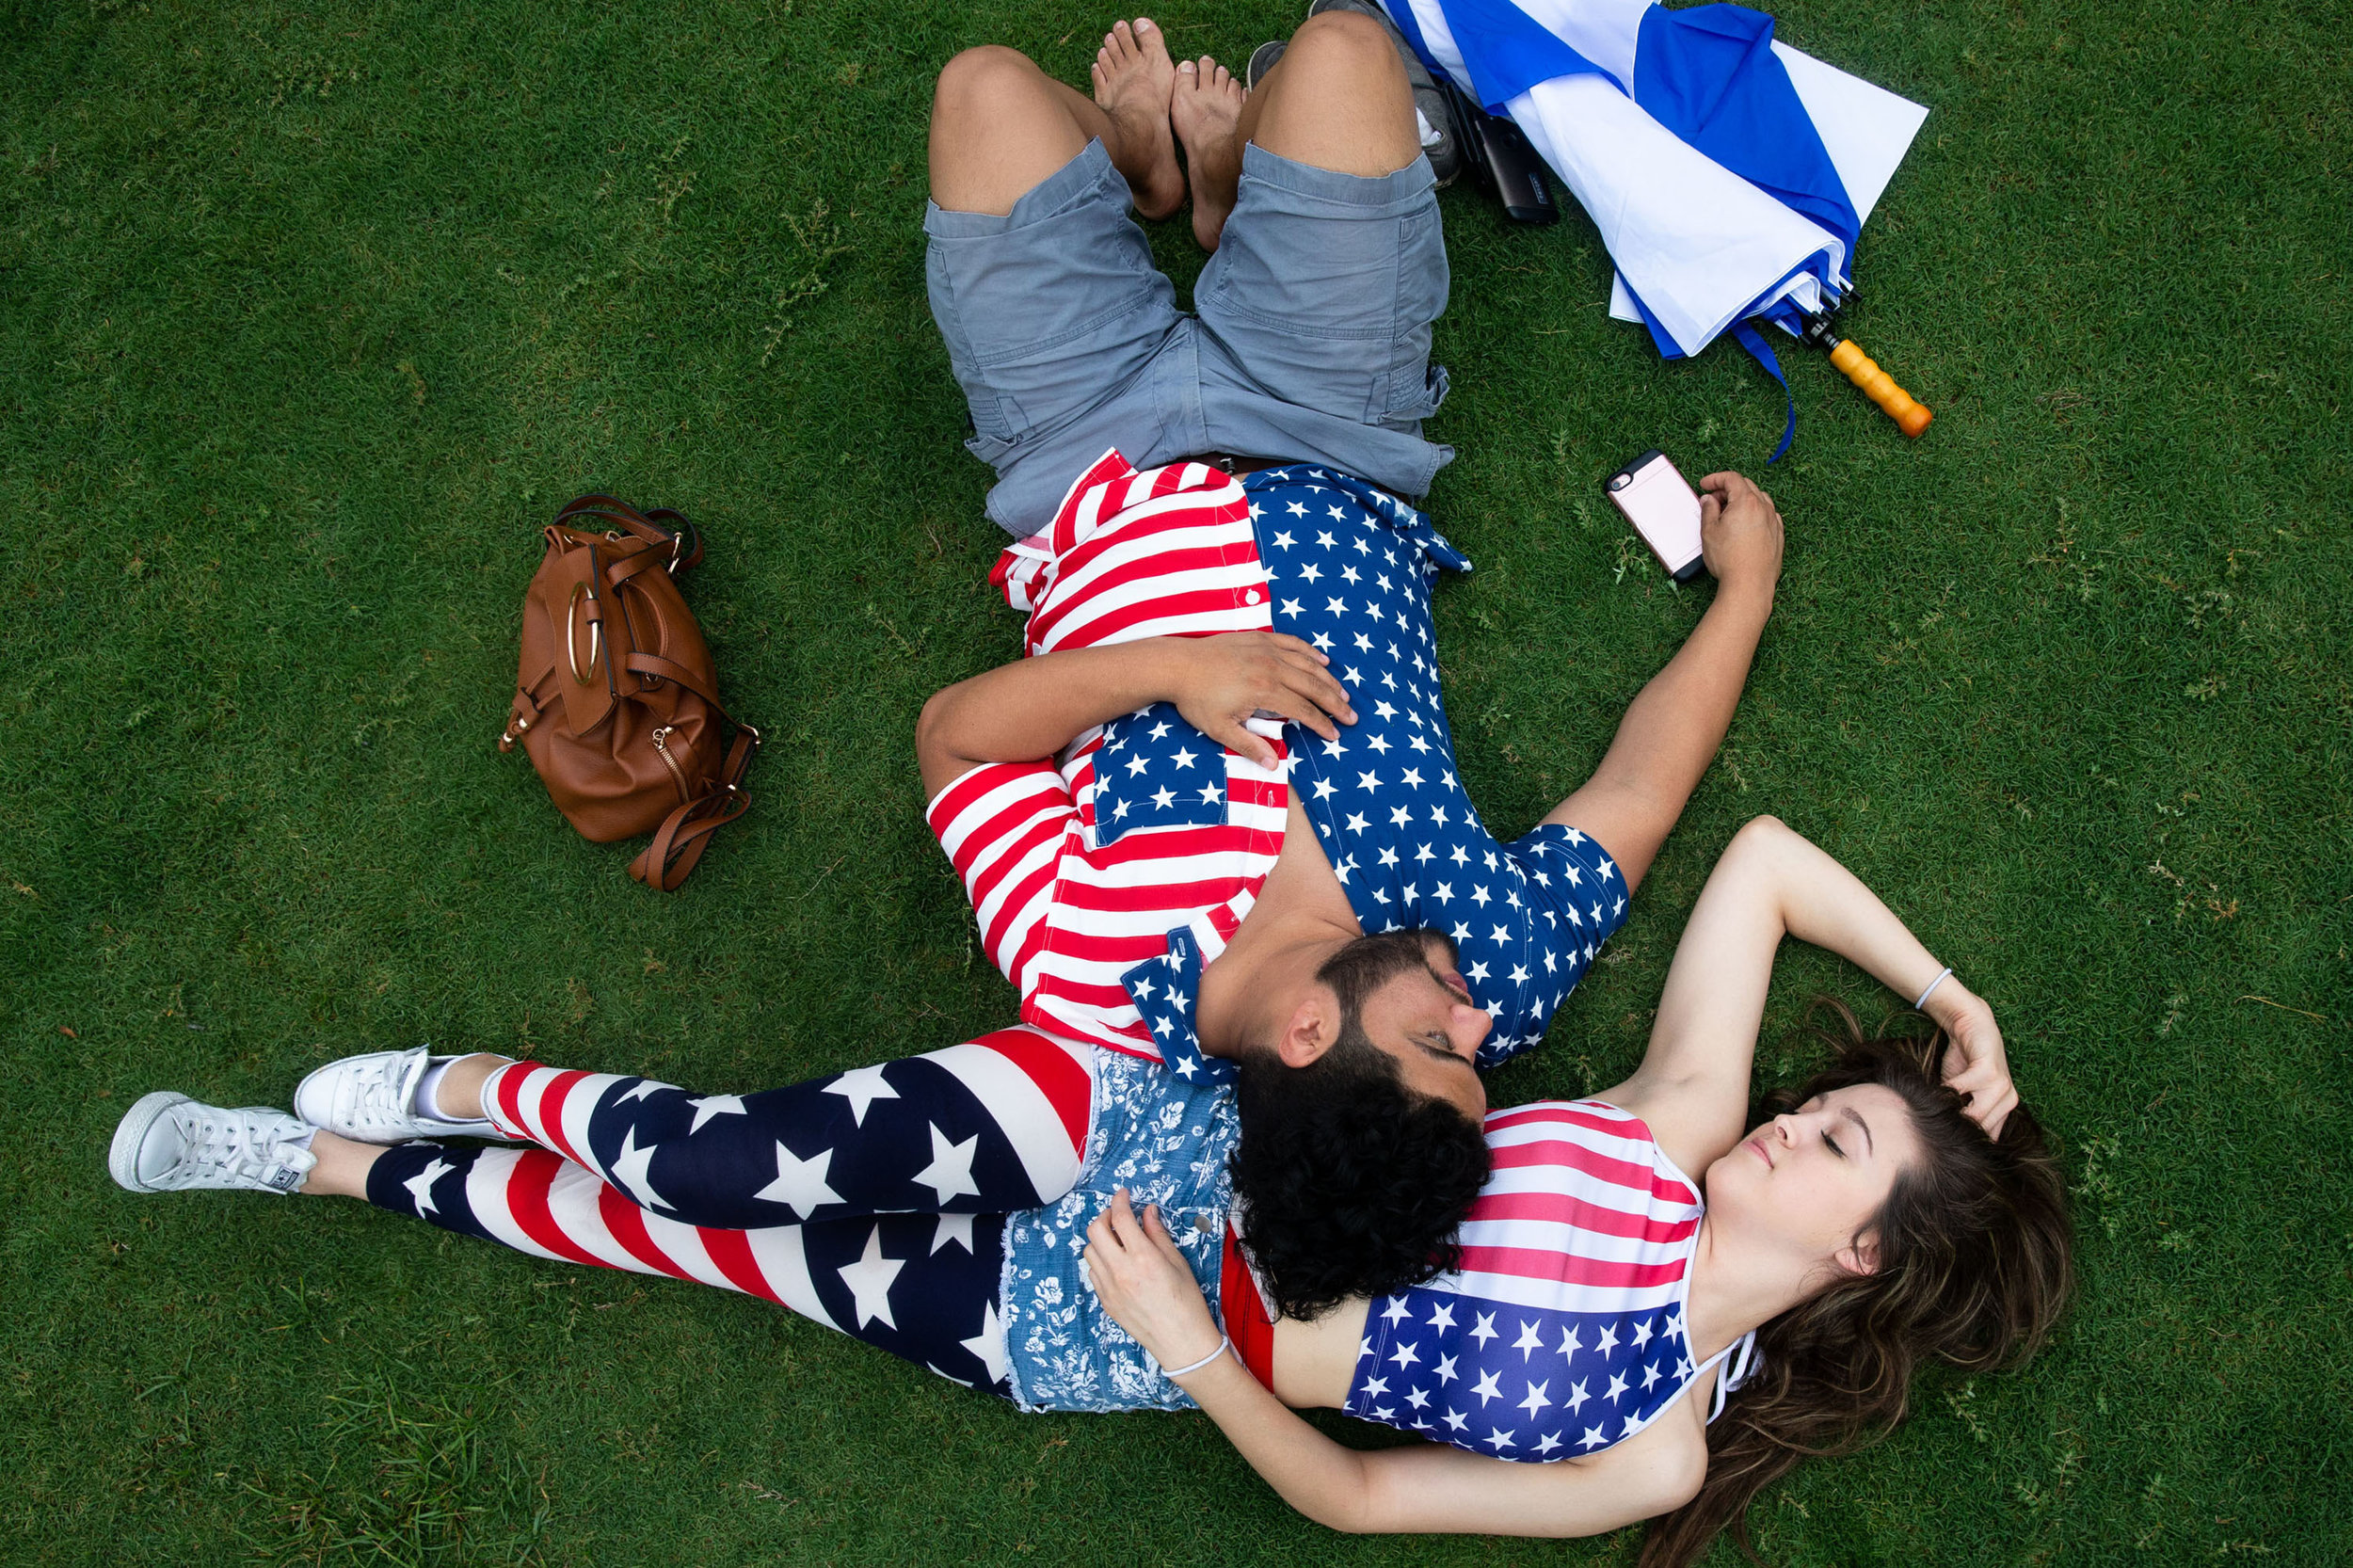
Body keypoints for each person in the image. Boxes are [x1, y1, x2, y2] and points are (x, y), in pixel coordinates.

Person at [1081, 814, 2073, 1562]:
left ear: (1865, 1251)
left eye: (1834, 1142)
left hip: (1139, 1320)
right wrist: (1955, 1001)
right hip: (1196, 1120)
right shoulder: (1678, 1124)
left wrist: (1186, 1345)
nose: (1787, 1121)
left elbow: (1361, 1495)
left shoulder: (1655, 1454)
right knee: (938, 1120)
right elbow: (1765, 861)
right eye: (1816, 1109)